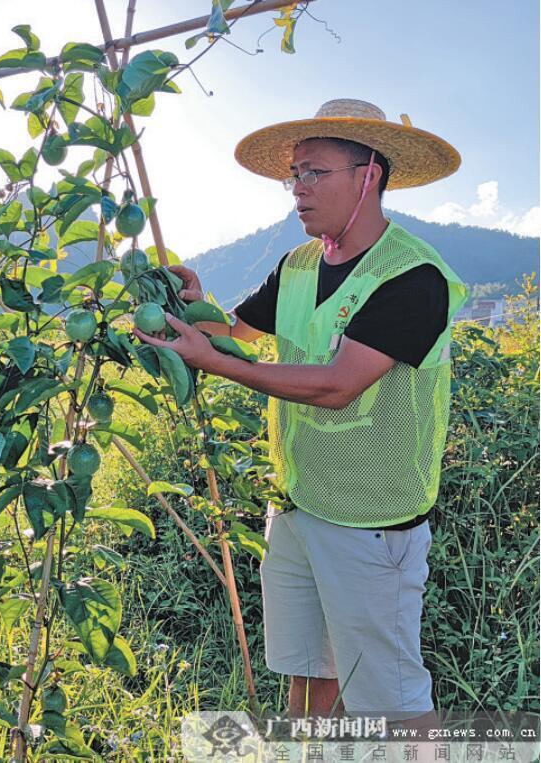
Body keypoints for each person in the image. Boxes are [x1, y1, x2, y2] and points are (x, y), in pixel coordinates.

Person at [135, 99, 468, 725]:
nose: (297, 190)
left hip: (372, 521)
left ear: (368, 174)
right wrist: (198, 306)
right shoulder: (298, 266)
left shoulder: (413, 277)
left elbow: (338, 385)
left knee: (391, 700)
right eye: (294, 175)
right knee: (310, 677)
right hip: (296, 503)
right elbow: (237, 334)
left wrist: (214, 362)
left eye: (313, 172)